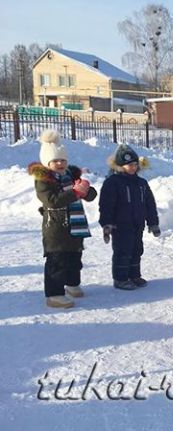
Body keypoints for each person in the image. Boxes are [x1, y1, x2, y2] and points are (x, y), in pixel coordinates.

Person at [29, 130, 97, 308]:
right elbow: (51, 201)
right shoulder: (43, 180)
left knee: (75, 257)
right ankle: (54, 294)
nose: (60, 163)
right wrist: (75, 192)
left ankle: (72, 283)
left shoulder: (71, 176)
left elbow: (88, 195)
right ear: (47, 162)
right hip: (56, 227)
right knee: (57, 260)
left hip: (75, 224)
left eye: (63, 160)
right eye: (55, 160)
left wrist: (87, 190)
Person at [99, 144, 160, 290]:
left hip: (137, 223)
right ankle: (120, 278)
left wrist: (153, 222)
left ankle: (134, 275)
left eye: (134, 164)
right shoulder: (112, 182)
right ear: (120, 166)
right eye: (128, 165)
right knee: (123, 251)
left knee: (136, 249)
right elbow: (106, 205)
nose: (132, 167)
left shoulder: (141, 183)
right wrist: (107, 223)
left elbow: (149, 204)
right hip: (120, 225)